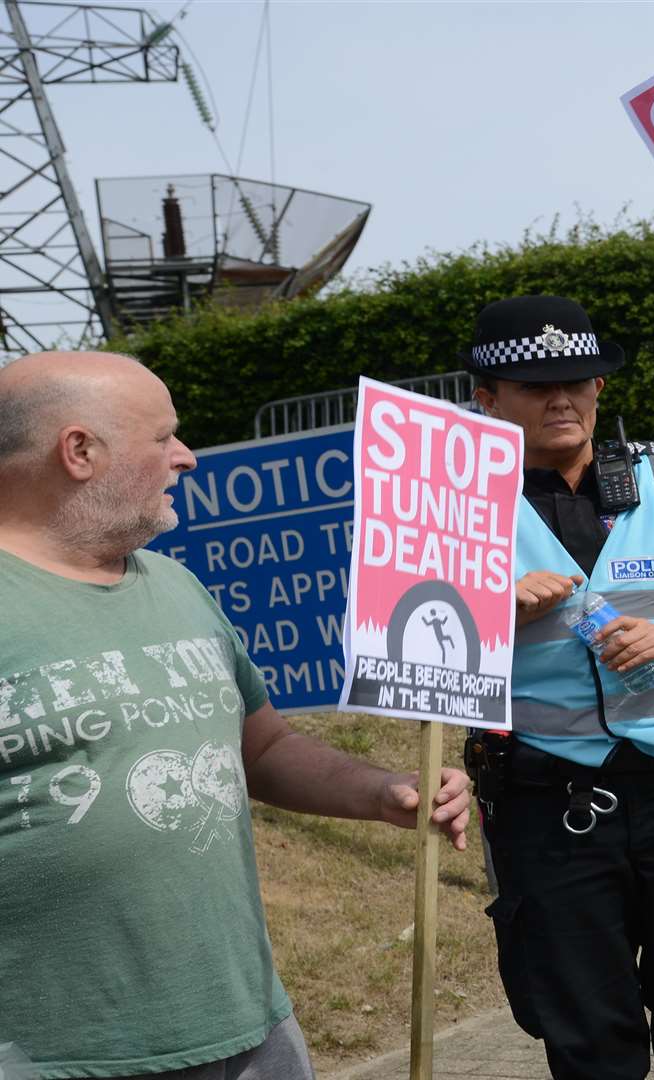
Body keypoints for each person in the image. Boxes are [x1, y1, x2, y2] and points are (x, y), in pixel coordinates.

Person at [0, 352, 470, 1077]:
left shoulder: (178, 583)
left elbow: (264, 747)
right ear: (79, 451)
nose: (185, 458)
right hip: (63, 1056)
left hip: (251, 1028)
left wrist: (382, 793)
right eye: (164, 438)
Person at [464, 295, 654, 1080]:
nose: (562, 397)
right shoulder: (454, 508)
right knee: (588, 1043)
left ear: (601, 387)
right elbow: (402, 647)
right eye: (536, 385)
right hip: (548, 802)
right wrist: (493, 611)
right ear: (487, 398)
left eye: (579, 379)